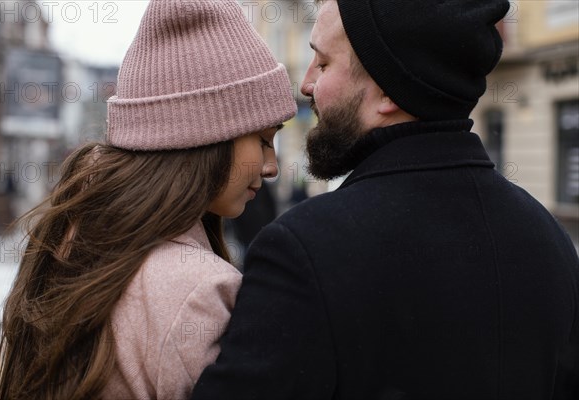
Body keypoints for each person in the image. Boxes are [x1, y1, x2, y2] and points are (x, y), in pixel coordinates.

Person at [192, 0, 579, 399]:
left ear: (385, 92)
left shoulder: (304, 249)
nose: (306, 84)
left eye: (323, 64)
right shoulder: (550, 240)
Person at [0, 0, 296, 399]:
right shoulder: (197, 291)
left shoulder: (68, 245)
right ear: (203, 140)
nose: (272, 166)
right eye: (262, 140)